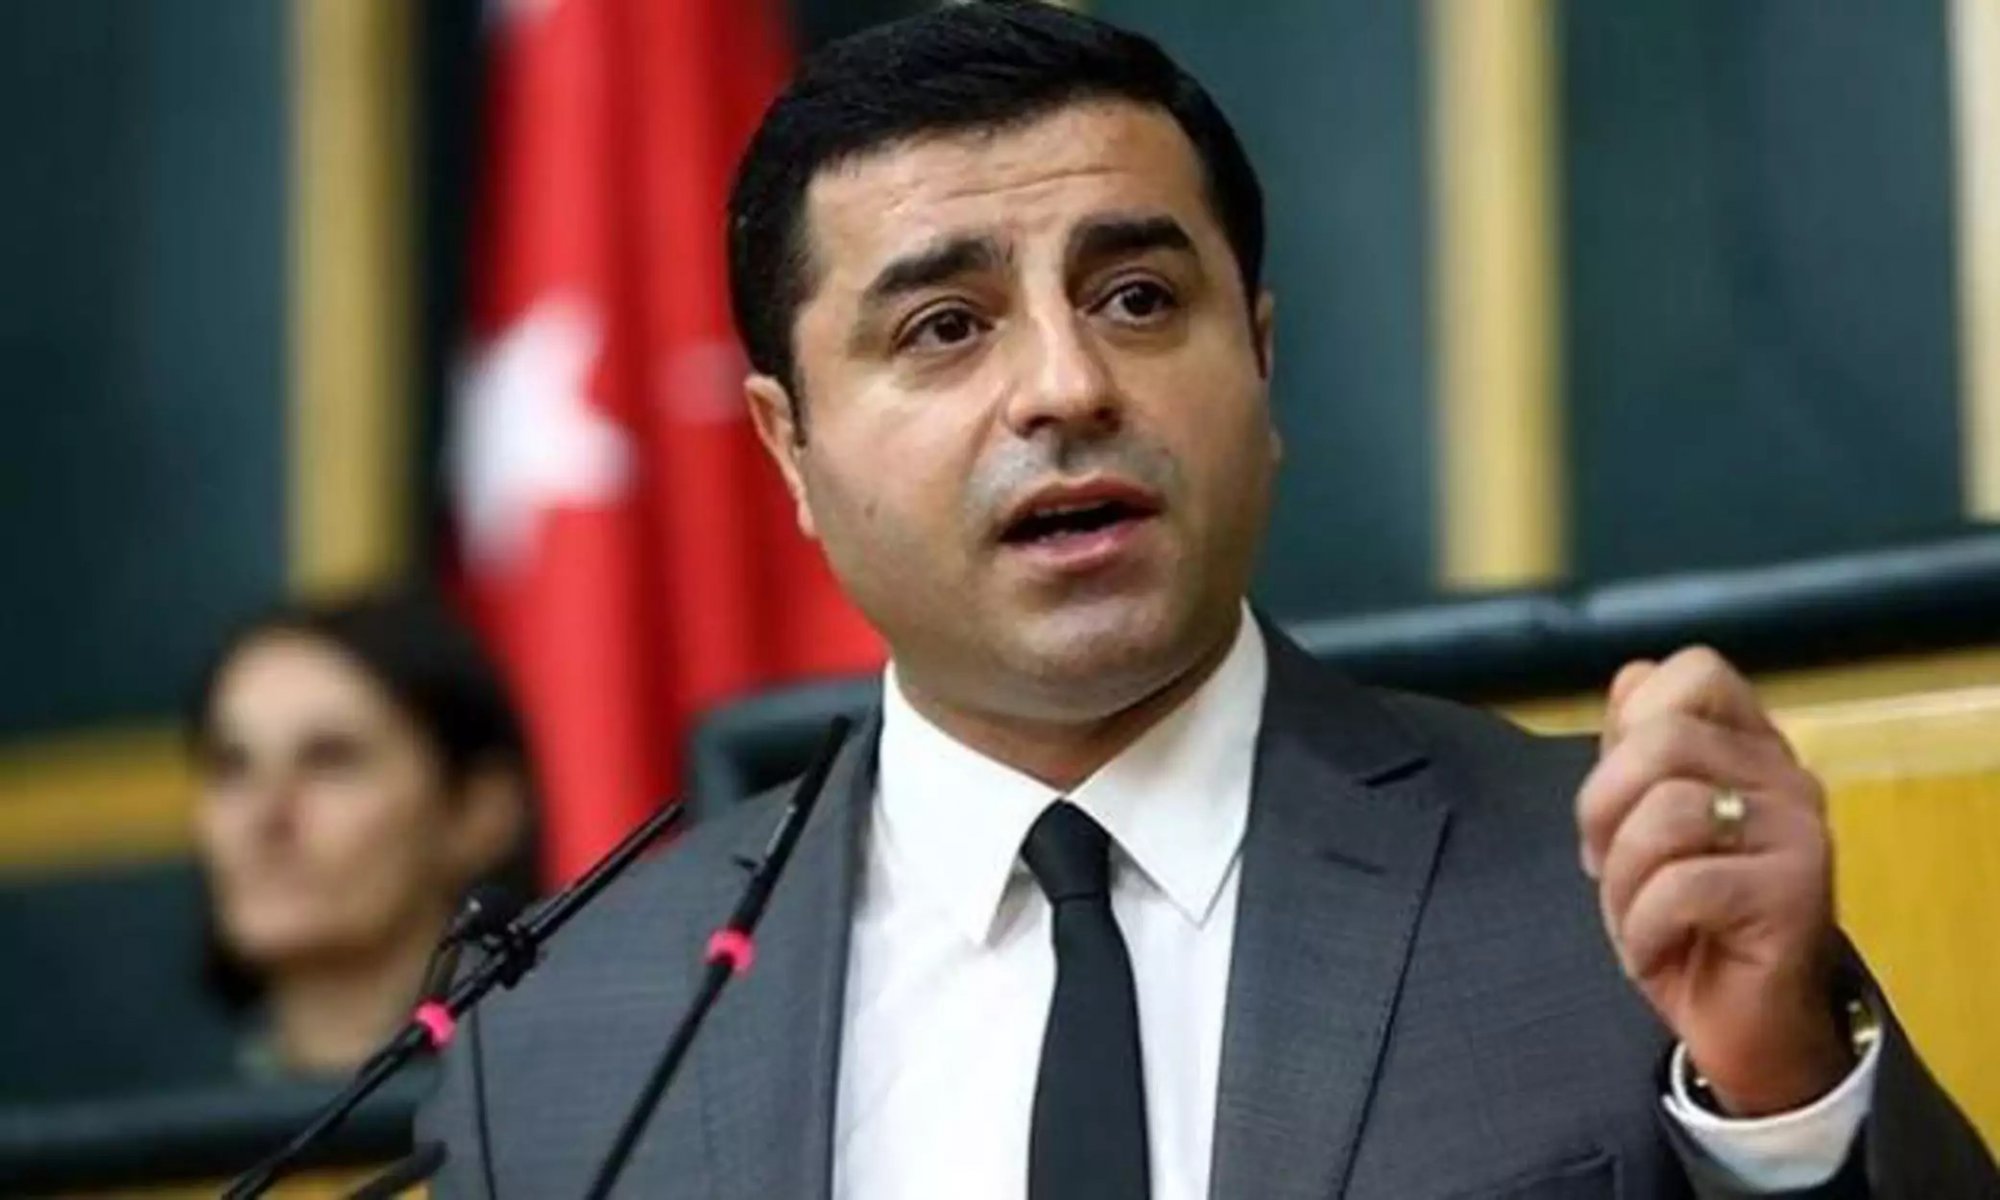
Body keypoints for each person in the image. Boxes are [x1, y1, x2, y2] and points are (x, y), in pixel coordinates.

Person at [418, 4, 1997, 1196]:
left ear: (1260, 357)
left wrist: (1786, 1095)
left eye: (1137, 298)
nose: (1065, 384)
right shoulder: (569, 1047)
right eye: (947, 327)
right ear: (791, 448)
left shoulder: (1610, 889)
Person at [192, 588, 536, 1079]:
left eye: (330, 759)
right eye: (232, 766)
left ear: (480, 813)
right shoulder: (143, 1113)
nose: (265, 815)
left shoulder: (574, 1102)